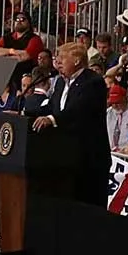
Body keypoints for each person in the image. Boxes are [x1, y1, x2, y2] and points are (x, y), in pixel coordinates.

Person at [30, 39, 113, 201]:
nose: (57, 62)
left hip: (89, 159)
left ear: (76, 60)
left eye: (62, 58)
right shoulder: (60, 82)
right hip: (65, 157)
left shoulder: (93, 82)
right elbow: (52, 107)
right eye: (57, 58)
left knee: (88, 208)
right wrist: (24, 113)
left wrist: (51, 119)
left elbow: (78, 110)